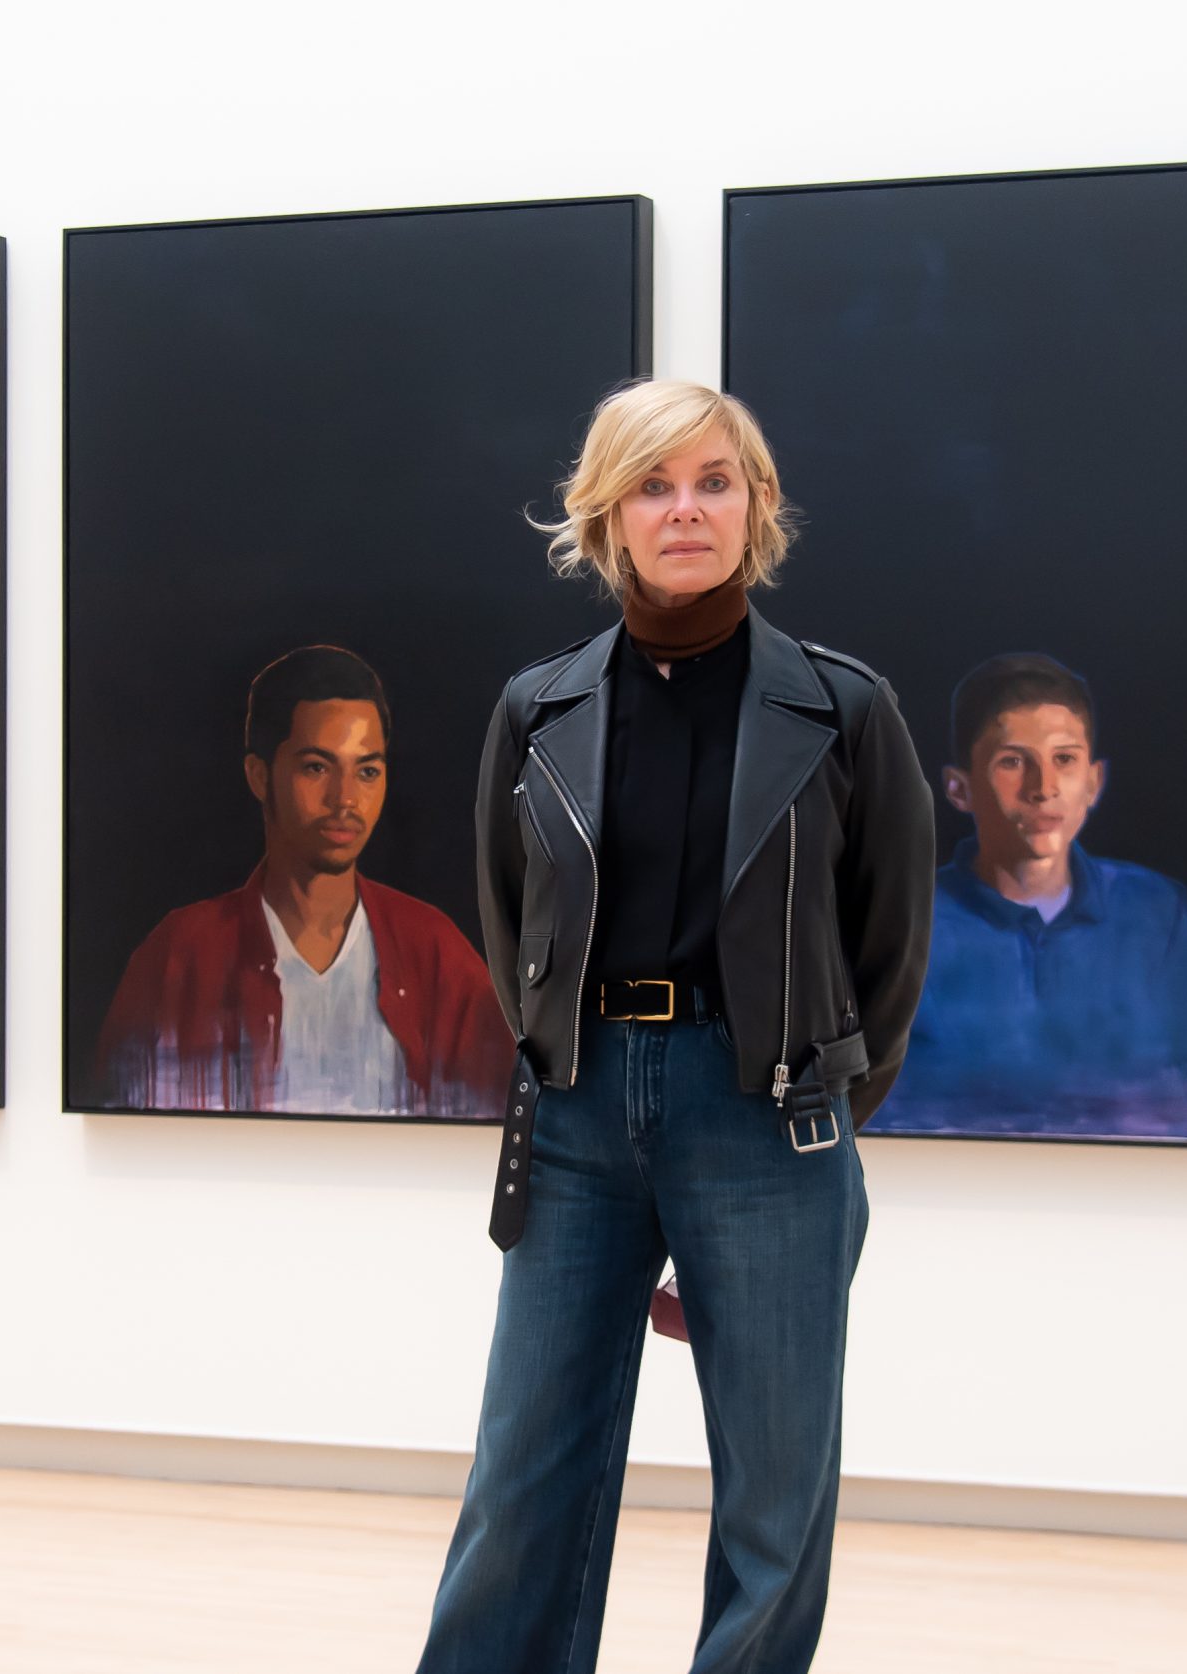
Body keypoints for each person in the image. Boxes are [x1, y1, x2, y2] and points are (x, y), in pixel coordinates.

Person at [419, 381, 934, 1672]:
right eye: (654, 484)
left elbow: (890, 952)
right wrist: (569, 1067)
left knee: (773, 1492)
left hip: (769, 1118)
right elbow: (509, 916)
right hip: (580, 1114)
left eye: (713, 479)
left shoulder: (848, 711)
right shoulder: (536, 711)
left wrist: (812, 1119)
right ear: (606, 515)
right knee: (523, 1470)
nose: (685, 507)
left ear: (757, 505)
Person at [94, 645, 509, 1117]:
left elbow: (494, 1116)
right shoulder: (179, 955)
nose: (345, 799)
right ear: (258, 775)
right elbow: (120, 1114)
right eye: (317, 767)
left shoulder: (434, 950)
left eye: (367, 771)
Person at [866, 652, 1187, 1141]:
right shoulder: (909, 916)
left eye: (1064, 759)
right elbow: (878, 1102)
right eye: (1012, 761)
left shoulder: (1156, 910)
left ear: (1094, 782)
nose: (1043, 788)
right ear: (959, 789)